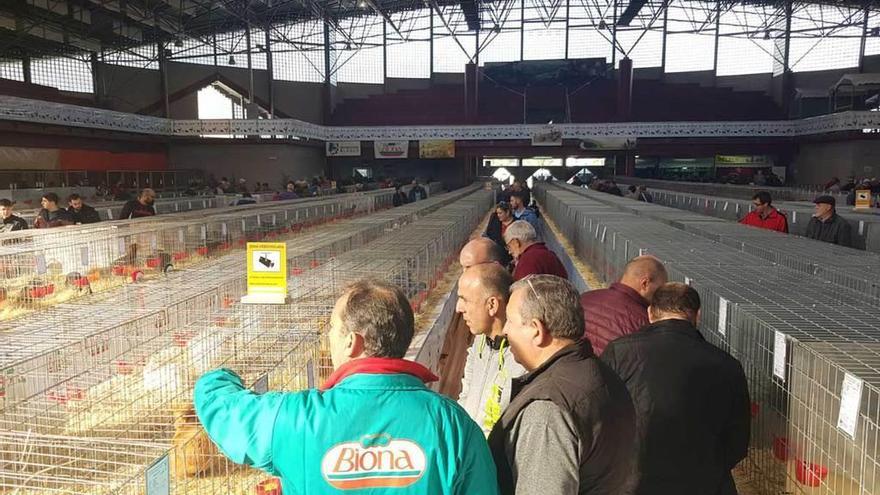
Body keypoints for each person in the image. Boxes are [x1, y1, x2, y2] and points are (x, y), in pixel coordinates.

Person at [195, 280, 498, 494]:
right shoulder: (452, 423)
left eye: (332, 328)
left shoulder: (294, 418)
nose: (328, 337)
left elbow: (218, 406)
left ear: (352, 341)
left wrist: (220, 377)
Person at [488, 275, 636, 495]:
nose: (504, 331)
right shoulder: (601, 373)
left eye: (510, 320)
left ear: (537, 330)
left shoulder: (547, 410)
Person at [601, 283, 750, 495]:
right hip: (702, 483)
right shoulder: (727, 364)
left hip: (632, 482)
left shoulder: (619, 352)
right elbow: (737, 442)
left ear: (650, 313)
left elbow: (599, 416)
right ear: (698, 316)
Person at [456, 263, 526, 435]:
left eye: (465, 299)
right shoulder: (479, 341)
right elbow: (466, 395)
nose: (459, 308)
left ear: (492, 305)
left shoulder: (524, 357)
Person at [580, 255, 668, 355]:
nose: (661, 295)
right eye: (660, 289)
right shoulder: (645, 323)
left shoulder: (584, 299)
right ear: (645, 283)